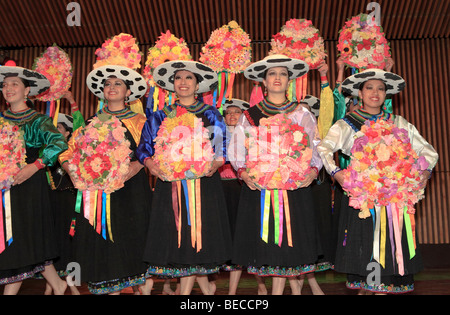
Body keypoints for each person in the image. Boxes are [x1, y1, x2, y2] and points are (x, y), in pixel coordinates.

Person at [317, 68, 439, 294]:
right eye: (369, 88)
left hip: (394, 202)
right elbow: (323, 148)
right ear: (360, 93)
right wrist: (336, 172)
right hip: (363, 203)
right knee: (368, 256)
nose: (375, 93)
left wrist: (422, 174)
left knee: (390, 257)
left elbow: (429, 153)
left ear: (386, 94)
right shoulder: (347, 124)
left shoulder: (399, 123)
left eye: (381, 89)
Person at [228, 54, 324, 295]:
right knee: (267, 248)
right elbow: (237, 148)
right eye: (272, 74)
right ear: (263, 81)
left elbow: (316, 145)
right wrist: (244, 172)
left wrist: (313, 170)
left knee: (289, 248)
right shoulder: (249, 116)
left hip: (294, 189)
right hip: (262, 189)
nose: (277, 78)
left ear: (289, 80)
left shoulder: (302, 114)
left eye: (282, 73)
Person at [136, 60, 232, 295]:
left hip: (203, 184)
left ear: (198, 84)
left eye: (189, 78)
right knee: (176, 235)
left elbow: (223, 145)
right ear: (172, 85)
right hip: (170, 186)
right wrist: (151, 165)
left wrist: (216, 162)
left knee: (198, 236)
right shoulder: (159, 116)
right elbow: (144, 148)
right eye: (178, 78)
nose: (183, 82)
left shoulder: (210, 113)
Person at [59, 64, 152, 295]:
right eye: (107, 84)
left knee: (130, 242)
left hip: (130, 192)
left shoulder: (141, 121)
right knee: (103, 244)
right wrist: (72, 171)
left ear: (129, 92)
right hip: (97, 195)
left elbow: (153, 151)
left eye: (118, 83)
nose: (111, 87)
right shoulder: (91, 122)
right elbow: (67, 152)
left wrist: (138, 164)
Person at [0, 65, 68, 295]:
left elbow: (59, 143)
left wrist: (35, 165)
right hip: (4, 185)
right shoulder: (1, 119)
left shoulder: (38, 121)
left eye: (14, 84)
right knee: (20, 240)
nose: (8, 89)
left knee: (21, 239)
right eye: (5, 85)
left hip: (28, 183)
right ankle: (58, 285)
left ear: (27, 91)